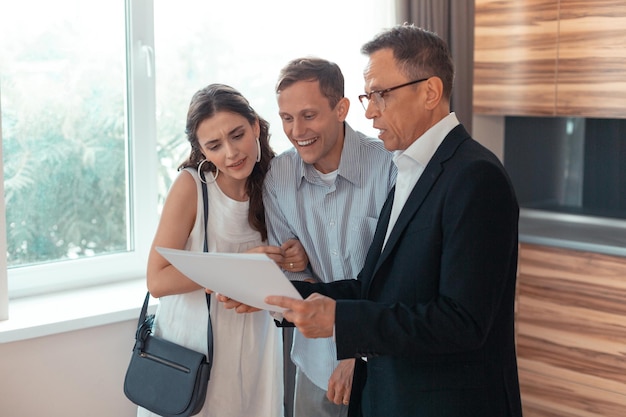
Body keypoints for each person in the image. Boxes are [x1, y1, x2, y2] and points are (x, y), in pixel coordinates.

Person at [266, 25, 523, 417]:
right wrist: (269, 296)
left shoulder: (475, 176)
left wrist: (342, 319)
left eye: (381, 94)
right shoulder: (409, 168)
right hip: (392, 395)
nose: (369, 110)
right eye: (370, 96)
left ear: (430, 92)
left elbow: (462, 321)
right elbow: (375, 287)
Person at [142, 83, 308, 417]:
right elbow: (157, 281)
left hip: (255, 347)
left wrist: (296, 258)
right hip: (192, 348)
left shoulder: (278, 181)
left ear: (255, 127)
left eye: (237, 135)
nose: (231, 153)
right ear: (201, 150)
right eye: (214, 145)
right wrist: (237, 265)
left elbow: (287, 265)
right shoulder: (192, 187)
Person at [262, 58, 396, 417]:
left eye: (308, 115)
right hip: (316, 364)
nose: (296, 130)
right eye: (286, 118)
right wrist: (294, 266)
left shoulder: (389, 165)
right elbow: (290, 277)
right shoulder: (279, 177)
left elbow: (398, 279)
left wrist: (358, 351)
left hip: (385, 359)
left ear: (341, 108)